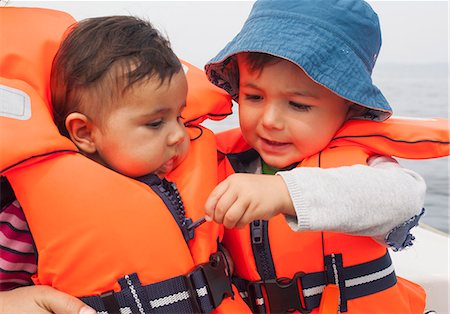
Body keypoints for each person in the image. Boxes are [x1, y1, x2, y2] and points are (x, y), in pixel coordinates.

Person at [202, 0, 448, 312]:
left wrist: (285, 192)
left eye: (298, 104)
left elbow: (404, 199)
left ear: (351, 108)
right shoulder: (220, 161)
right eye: (254, 97)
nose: (270, 120)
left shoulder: (368, 168)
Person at [1, 10, 249, 313]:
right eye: (156, 123)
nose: (178, 136)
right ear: (84, 132)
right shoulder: (25, 217)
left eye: (180, 117)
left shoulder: (202, 176)